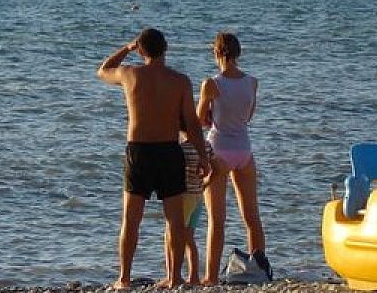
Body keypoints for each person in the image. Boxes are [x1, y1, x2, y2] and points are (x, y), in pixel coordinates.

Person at [97, 28, 210, 289]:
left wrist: (127, 48)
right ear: (165, 49)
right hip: (169, 151)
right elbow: (192, 124)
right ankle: (175, 278)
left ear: (141, 50)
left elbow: (103, 69)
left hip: (139, 152)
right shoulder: (180, 80)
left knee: (131, 219)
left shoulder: (130, 73)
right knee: (175, 220)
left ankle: (124, 278)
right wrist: (203, 156)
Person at [197, 31, 271, 283]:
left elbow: (200, 120)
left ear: (217, 53)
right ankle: (259, 269)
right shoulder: (252, 82)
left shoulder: (211, 84)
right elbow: (247, 117)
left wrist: (209, 114)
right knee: (252, 216)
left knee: (217, 220)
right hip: (243, 150)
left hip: (218, 150)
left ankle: (210, 277)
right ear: (238, 53)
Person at [165, 123, 211, 284]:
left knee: (171, 235)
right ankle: (194, 276)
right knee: (189, 238)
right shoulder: (206, 147)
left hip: (184, 196)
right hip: (198, 196)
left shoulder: (182, 149)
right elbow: (215, 168)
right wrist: (205, 182)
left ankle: (171, 274)